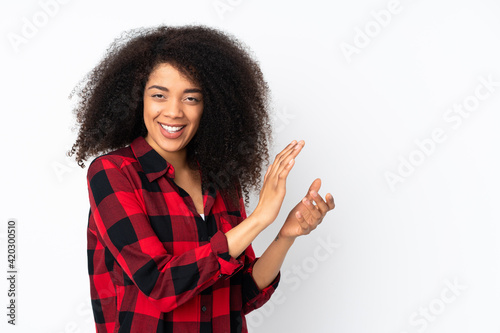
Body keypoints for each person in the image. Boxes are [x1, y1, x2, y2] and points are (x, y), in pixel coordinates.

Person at [69, 24, 335, 333]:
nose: (173, 112)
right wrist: (260, 218)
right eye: (159, 95)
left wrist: (285, 235)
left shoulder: (221, 179)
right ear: (136, 99)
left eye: (191, 98)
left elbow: (242, 295)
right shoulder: (113, 173)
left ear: (211, 106)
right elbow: (160, 285)